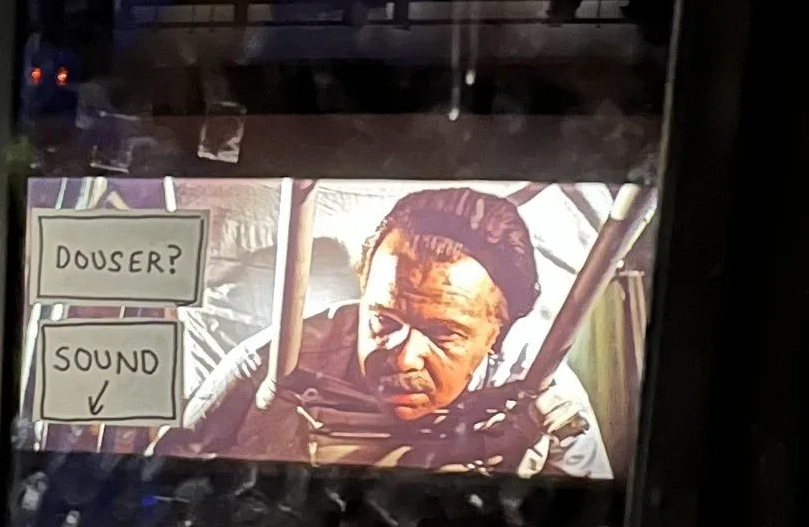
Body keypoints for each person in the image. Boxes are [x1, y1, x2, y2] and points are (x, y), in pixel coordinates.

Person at [173, 187, 610, 476]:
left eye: (443, 334)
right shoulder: (283, 360)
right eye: (384, 320)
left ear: (497, 333)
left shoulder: (547, 405)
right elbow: (172, 467)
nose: (402, 358)